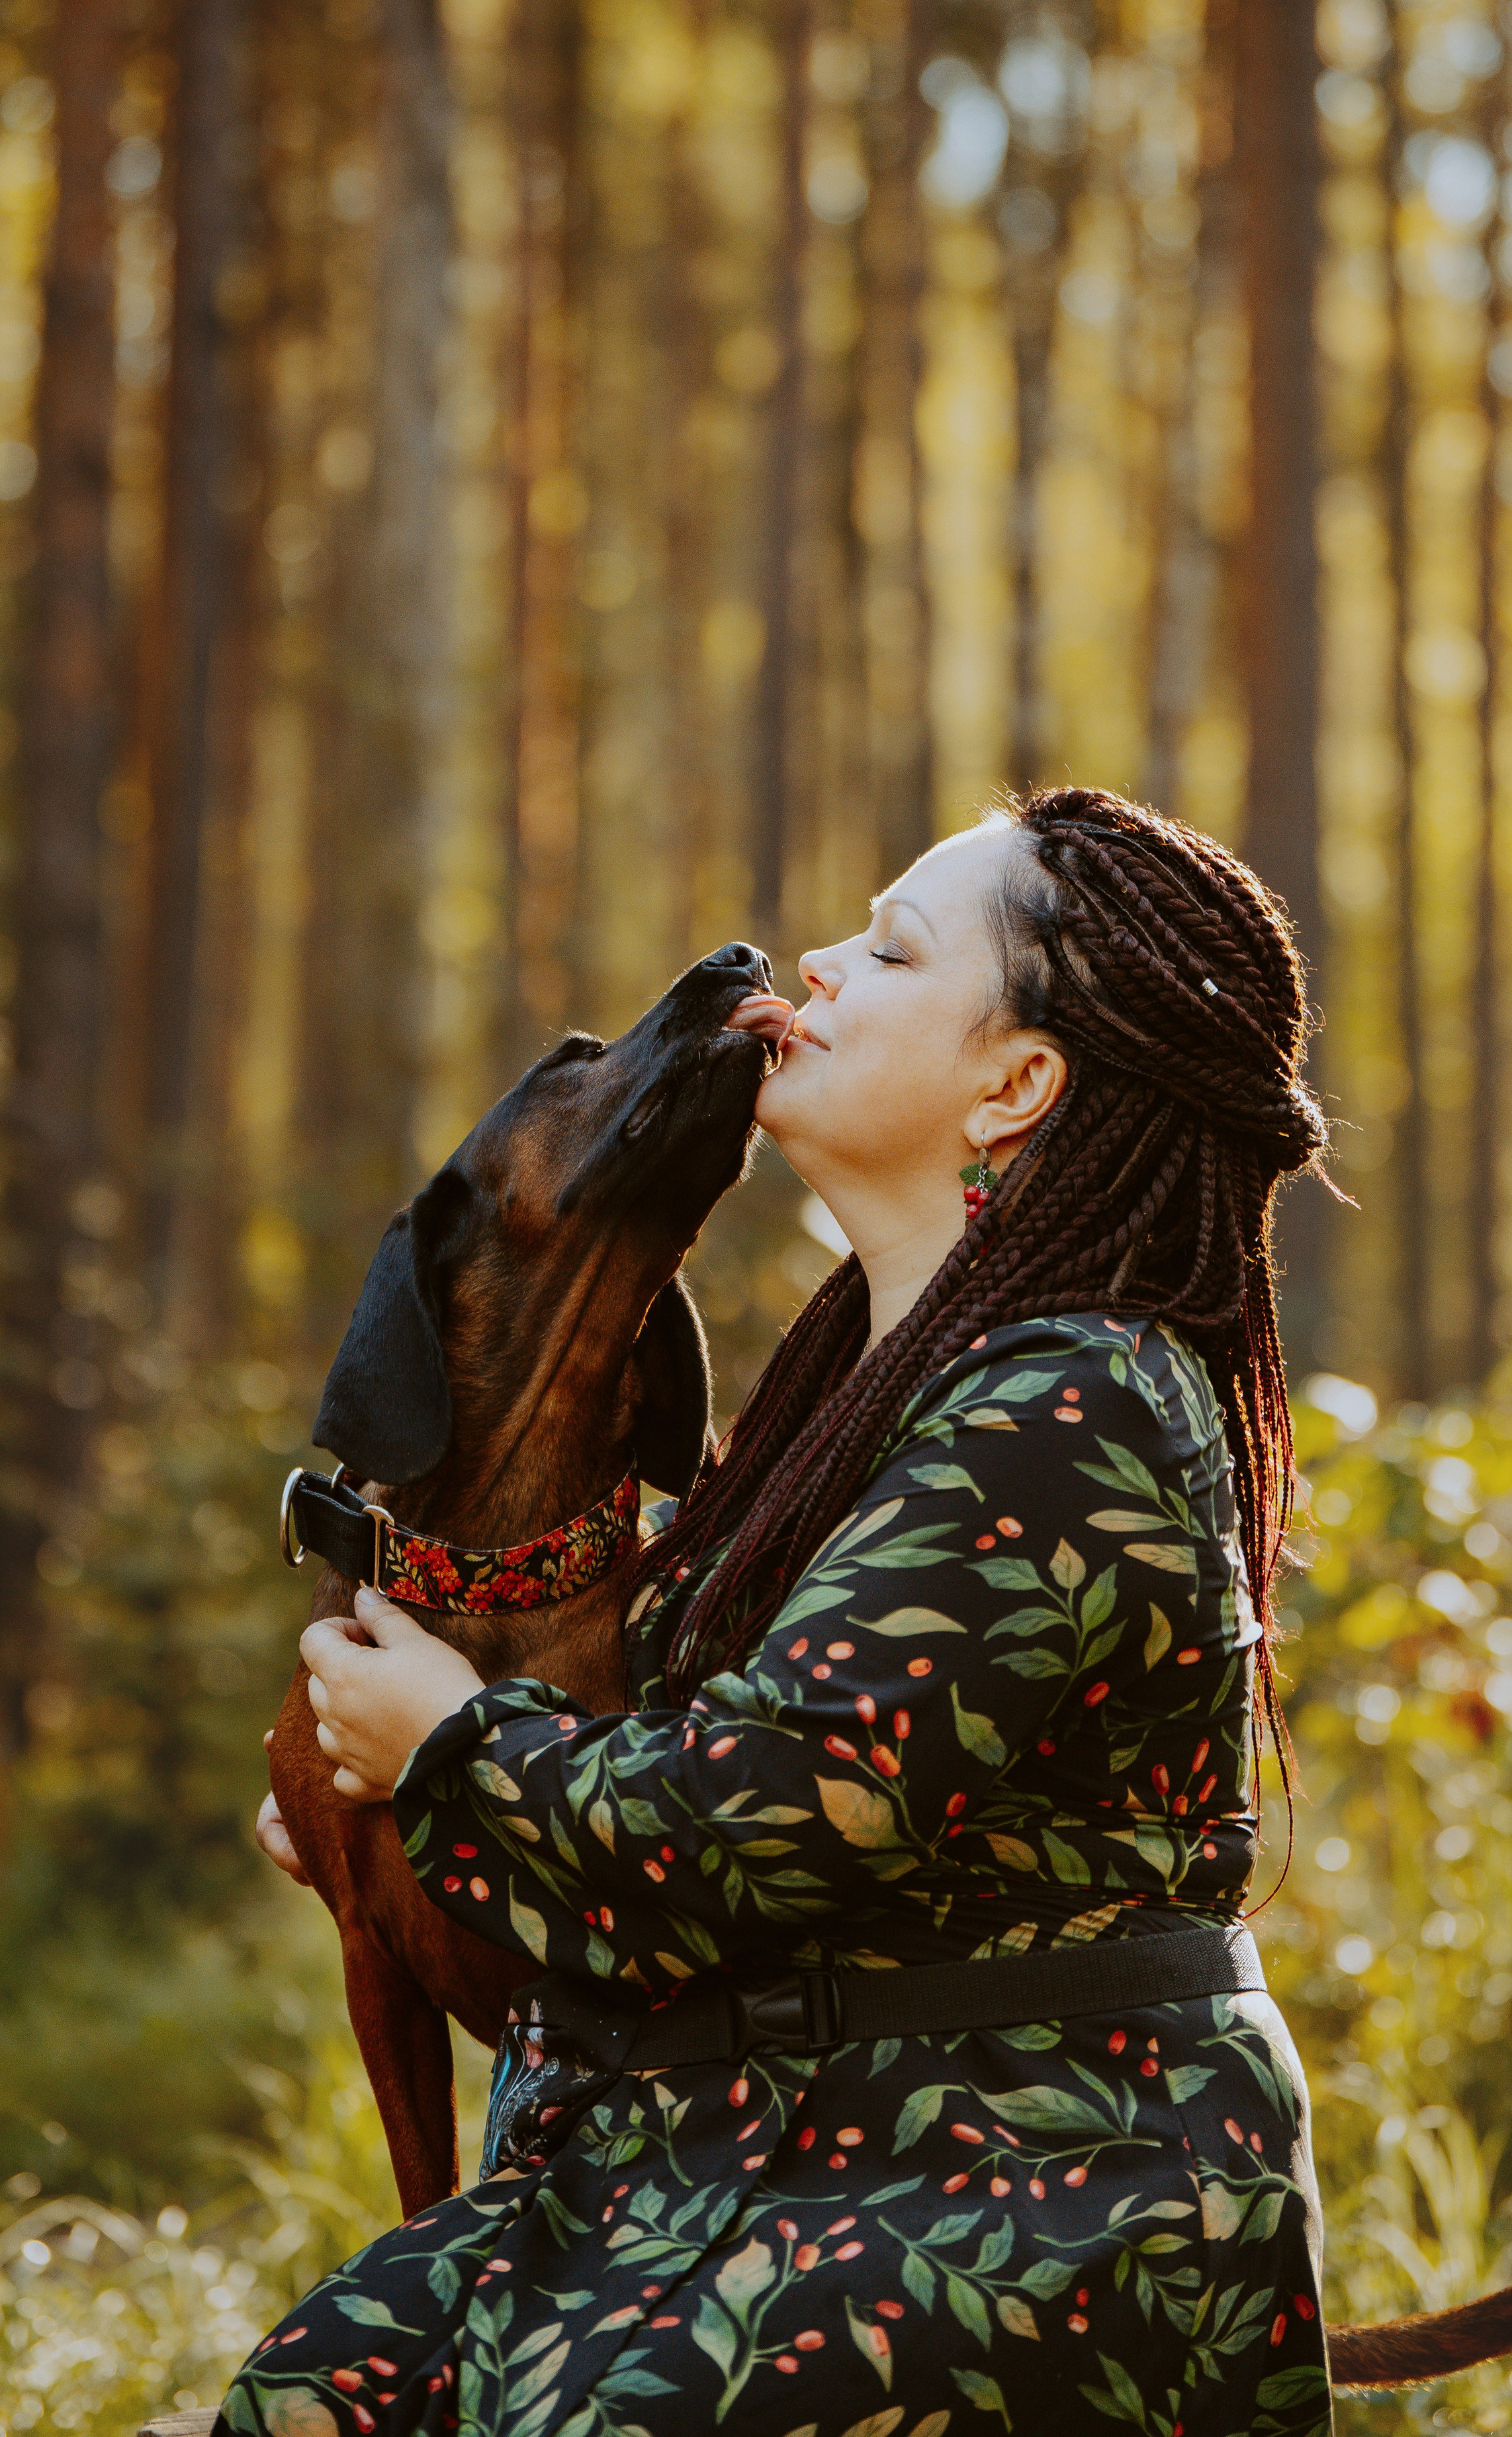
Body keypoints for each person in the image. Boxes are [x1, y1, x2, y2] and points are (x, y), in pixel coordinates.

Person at [224, 786, 1333, 2437]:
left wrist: (452, 1750)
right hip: (761, 2146)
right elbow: (664, 1842)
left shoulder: (1069, 1401)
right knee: (303, 2399)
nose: (813, 961)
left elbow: (756, 1817)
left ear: (1012, 1083)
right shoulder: (860, 1393)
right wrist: (394, 1826)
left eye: (887, 948)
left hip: (1034, 2185)